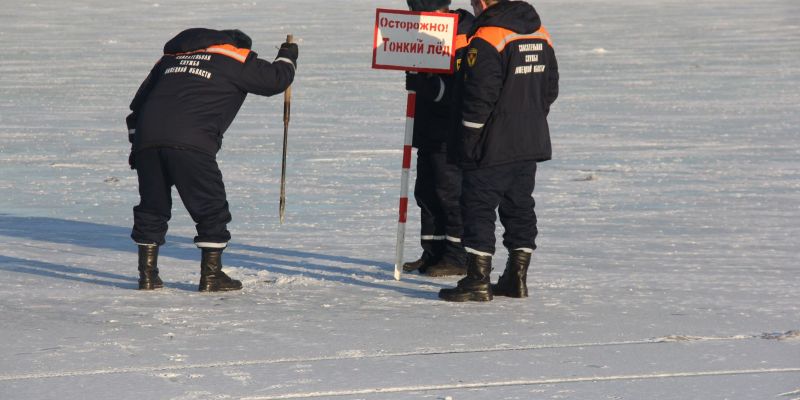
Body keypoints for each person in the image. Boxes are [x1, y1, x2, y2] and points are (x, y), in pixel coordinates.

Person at [126, 28, 297, 292]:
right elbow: (275, 81)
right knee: (211, 208)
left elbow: (137, 107)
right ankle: (211, 276)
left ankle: (147, 276)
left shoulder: (170, 60)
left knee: (152, 207)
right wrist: (287, 56)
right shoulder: (232, 56)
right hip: (191, 142)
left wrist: (137, 147)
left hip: (147, 141)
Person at [439, 0, 559, 301]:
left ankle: (478, 279)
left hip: (491, 143)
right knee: (519, 206)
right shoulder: (540, 32)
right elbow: (550, 89)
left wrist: (469, 138)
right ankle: (516, 278)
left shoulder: (488, 37)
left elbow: (479, 95)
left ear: (482, 2)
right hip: (529, 140)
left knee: (478, 206)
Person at [402, 0, 475, 277]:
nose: (413, 16)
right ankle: (433, 253)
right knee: (427, 192)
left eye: (417, 11)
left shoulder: (464, 34)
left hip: (451, 133)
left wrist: (429, 86)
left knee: (450, 194)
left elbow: (463, 88)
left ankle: (457, 255)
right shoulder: (421, 32)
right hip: (427, 129)